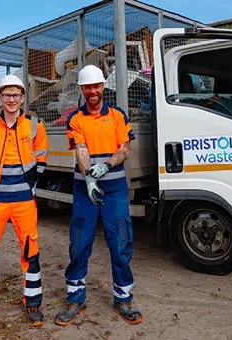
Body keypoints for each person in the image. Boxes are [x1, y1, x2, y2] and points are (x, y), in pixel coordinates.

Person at [54, 65, 142, 325]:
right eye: (87, 87)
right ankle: (76, 297)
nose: (92, 91)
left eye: (96, 86)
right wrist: (89, 176)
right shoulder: (75, 119)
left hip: (115, 190)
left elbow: (124, 149)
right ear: (81, 89)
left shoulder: (118, 116)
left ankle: (123, 298)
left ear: (103, 86)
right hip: (85, 191)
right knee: (79, 244)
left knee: (121, 243)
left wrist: (105, 166)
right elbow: (80, 149)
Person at [0, 75, 49, 334]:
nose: (11, 99)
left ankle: (33, 304)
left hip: (24, 202)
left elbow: (42, 158)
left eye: (16, 95)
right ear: (0, 97)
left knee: (30, 253)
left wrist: (29, 184)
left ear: (23, 97)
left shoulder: (35, 125)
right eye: (6, 95)